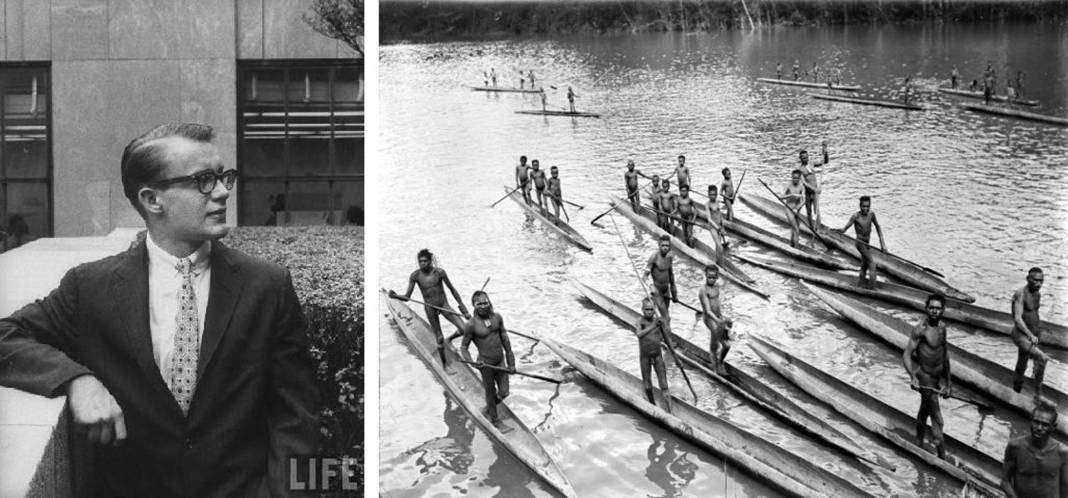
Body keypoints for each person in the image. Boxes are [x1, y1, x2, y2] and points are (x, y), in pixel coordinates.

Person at [0, 123, 319, 496]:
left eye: (223, 177)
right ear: (153, 200)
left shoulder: (268, 286)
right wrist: (76, 381)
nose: (222, 192)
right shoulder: (90, 288)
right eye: (204, 180)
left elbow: (297, 421)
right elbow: (7, 337)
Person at [391, 249, 472, 371]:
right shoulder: (415, 276)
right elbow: (407, 297)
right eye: (420, 261)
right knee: (439, 338)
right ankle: (445, 366)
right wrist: (395, 295)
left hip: (443, 305)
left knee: (464, 329)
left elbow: (452, 290)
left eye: (425, 261)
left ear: (430, 261)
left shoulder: (439, 272)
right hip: (430, 308)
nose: (422, 263)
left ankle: (449, 339)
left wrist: (463, 308)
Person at [903, 293, 952, 459]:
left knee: (924, 411)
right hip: (925, 379)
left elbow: (945, 355)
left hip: (937, 380)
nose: (934, 311)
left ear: (943, 310)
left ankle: (918, 440)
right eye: (931, 308)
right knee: (938, 420)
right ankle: (942, 459)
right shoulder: (920, 329)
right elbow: (907, 355)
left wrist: (949, 383)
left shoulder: (943, 328)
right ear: (926, 308)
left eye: (938, 308)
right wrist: (913, 377)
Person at [458, 291, 516, 430]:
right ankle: (495, 421)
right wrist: (472, 362)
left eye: (485, 303)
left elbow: (505, 340)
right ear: (474, 305)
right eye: (479, 304)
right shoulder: (471, 325)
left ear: (489, 302)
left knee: (504, 392)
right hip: (486, 364)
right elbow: (464, 347)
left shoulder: (497, 318)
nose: (483, 306)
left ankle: (489, 408)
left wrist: (511, 362)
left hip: (500, 361)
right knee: (490, 392)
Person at [1000, 402, 1066, 498]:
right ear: (1030, 421)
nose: (1039, 428)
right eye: (1036, 422)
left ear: (1053, 427)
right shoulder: (1015, 446)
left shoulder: (1062, 452)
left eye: (1045, 425)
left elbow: (1065, 487)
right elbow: (1005, 482)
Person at [1011, 268, 1050, 402]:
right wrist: (1030, 334)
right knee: (1042, 359)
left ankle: (1015, 389)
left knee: (1022, 363)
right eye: (1036, 280)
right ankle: (1038, 395)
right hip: (1020, 335)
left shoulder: (1037, 293)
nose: (1039, 284)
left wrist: (1038, 332)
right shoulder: (1020, 294)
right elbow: (1017, 318)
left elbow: (1034, 314)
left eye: (1041, 281)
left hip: (1032, 334)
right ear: (1028, 279)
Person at [635, 297, 673, 413]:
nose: (649, 312)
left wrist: (676, 358)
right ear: (642, 310)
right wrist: (653, 326)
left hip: (657, 357)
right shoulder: (640, 322)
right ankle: (652, 406)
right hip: (645, 358)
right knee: (647, 385)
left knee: (664, 385)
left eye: (651, 310)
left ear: (654, 309)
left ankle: (670, 411)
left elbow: (667, 339)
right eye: (647, 309)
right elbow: (639, 334)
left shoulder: (658, 322)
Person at [838, 195, 886, 287]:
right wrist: (838, 231)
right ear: (860, 206)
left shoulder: (871, 214)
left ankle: (860, 284)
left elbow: (878, 227)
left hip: (867, 243)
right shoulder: (855, 216)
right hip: (860, 243)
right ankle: (872, 289)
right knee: (872, 264)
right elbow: (845, 229)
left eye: (868, 206)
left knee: (864, 265)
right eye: (864, 206)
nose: (865, 208)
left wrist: (882, 244)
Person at [698, 266, 732, 375]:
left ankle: (716, 361)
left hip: (718, 318)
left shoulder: (717, 286)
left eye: (713, 277)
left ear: (717, 277)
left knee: (715, 343)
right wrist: (718, 321)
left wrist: (721, 317)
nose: (711, 280)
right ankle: (717, 365)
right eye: (709, 277)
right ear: (706, 276)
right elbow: (707, 310)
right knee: (726, 345)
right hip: (710, 319)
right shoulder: (703, 290)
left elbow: (717, 303)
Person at [645, 235, 678, 324]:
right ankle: (668, 336)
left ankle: (662, 332)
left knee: (665, 315)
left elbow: (671, 275)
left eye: (667, 246)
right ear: (659, 245)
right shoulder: (654, 257)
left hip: (666, 291)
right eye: (663, 245)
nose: (665, 248)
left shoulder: (669, 258)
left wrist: (674, 292)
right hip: (657, 292)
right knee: (666, 317)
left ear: (670, 247)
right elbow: (645, 276)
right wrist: (651, 286)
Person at [799, 142, 829, 229]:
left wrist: (825, 151)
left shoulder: (811, 163)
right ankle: (811, 228)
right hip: (808, 193)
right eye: (804, 158)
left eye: (807, 157)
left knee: (817, 210)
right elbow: (804, 183)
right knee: (809, 211)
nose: (806, 159)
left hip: (815, 192)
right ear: (800, 159)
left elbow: (825, 161)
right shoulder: (800, 169)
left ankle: (818, 228)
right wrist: (814, 189)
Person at [781, 170, 806, 247]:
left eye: (797, 178)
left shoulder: (801, 186)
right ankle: (796, 248)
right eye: (793, 178)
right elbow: (781, 197)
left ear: (799, 178)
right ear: (792, 177)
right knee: (796, 230)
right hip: (789, 209)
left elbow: (804, 200)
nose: (795, 180)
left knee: (795, 228)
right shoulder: (788, 185)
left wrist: (798, 207)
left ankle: (792, 244)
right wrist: (791, 195)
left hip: (797, 209)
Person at [704, 185, 728, 255]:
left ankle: (717, 260)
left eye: (714, 195)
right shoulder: (707, 205)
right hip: (713, 227)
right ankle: (720, 261)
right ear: (708, 194)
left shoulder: (717, 202)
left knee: (718, 246)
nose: (712, 196)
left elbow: (720, 214)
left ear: (716, 194)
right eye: (711, 195)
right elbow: (709, 219)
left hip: (719, 226)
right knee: (719, 246)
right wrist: (717, 228)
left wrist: (722, 225)